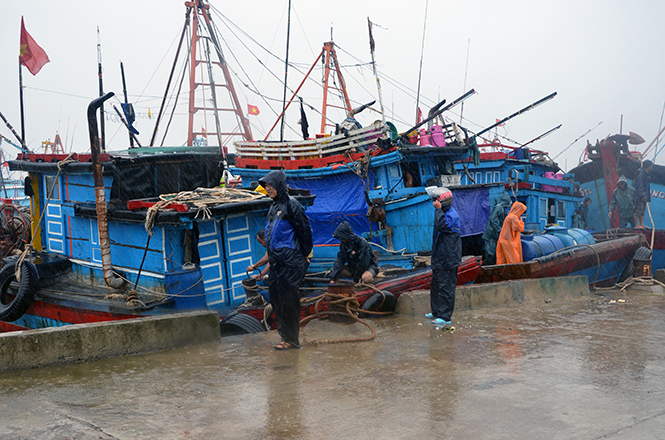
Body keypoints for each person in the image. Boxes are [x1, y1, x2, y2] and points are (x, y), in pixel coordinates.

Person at [259, 170, 313, 350]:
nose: (268, 189)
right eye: (266, 186)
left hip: (291, 261)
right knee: (276, 298)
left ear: (279, 186)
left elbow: (304, 230)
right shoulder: (273, 207)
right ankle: (284, 336)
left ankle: (291, 340)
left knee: (289, 300)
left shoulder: (292, 204)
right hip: (276, 261)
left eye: (270, 185)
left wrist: (304, 253)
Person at [426, 189, 461, 327]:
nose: (434, 203)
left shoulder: (452, 216)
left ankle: (445, 316)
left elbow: (442, 225)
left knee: (446, 288)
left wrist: (438, 210)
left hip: (448, 259)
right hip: (439, 257)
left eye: (437, 200)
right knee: (436, 285)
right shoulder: (444, 213)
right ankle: (436, 312)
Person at [481, 193, 512, 265]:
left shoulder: (503, 209)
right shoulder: (498, 207)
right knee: (490, 253)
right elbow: (493, 219)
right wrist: (499, 229)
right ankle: (488, 267)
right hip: (490, 235)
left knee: (494, 252)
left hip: (494, 236)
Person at [633, 160, 653, 228]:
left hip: (645, 194)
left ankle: (641, 223)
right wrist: (642, 195)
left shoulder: (646, 174)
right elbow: (639, 185)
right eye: (651, 166)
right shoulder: (641, 174)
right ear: (649, 166)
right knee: (638, 209)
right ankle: (636, 224)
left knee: (642, 210)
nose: (651, 167)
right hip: (639, 196)